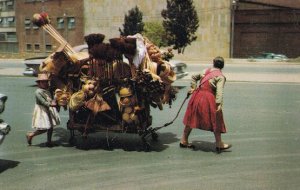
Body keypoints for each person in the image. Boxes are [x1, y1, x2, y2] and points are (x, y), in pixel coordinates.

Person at [180, 56, 232, 152]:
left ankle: (184, 140)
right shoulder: (220, 76)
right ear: (223, 66)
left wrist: (193, 87)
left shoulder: (205, 71)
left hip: (197, 96)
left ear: (213, 63)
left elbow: (194, 77)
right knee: (217, 119)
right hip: (208, 98)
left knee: (191, 118)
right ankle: (219, 143)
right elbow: (219, 92)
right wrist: (218, 104)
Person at [26, 73, 60, 147]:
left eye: (46, 82)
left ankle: (49, 141)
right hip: (42, 110)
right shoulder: (38, 92)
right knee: (45, 128)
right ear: (39, 83)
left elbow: (51, 98)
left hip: (48, 109)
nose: (45, 83)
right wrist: (51, 104)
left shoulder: (47, 90)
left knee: (50, 127)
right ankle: (31, 134)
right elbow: (43, 102)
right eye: (43, 82)